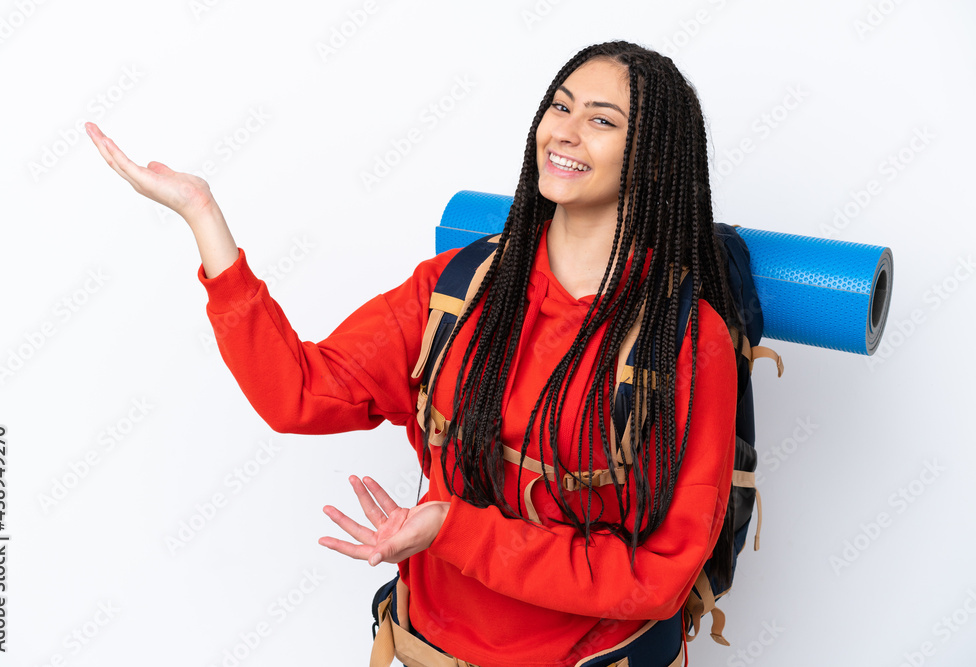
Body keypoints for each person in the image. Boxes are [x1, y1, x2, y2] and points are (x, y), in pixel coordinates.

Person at [86, 39, 739, 667]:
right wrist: (203, 217)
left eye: (601, 120)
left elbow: (655, 579)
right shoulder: (458, 288)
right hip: (424, 647)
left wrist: (451, 529)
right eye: (560, 106)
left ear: (654, 161)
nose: (565, 130)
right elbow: (297, 392)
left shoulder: (686, 339)